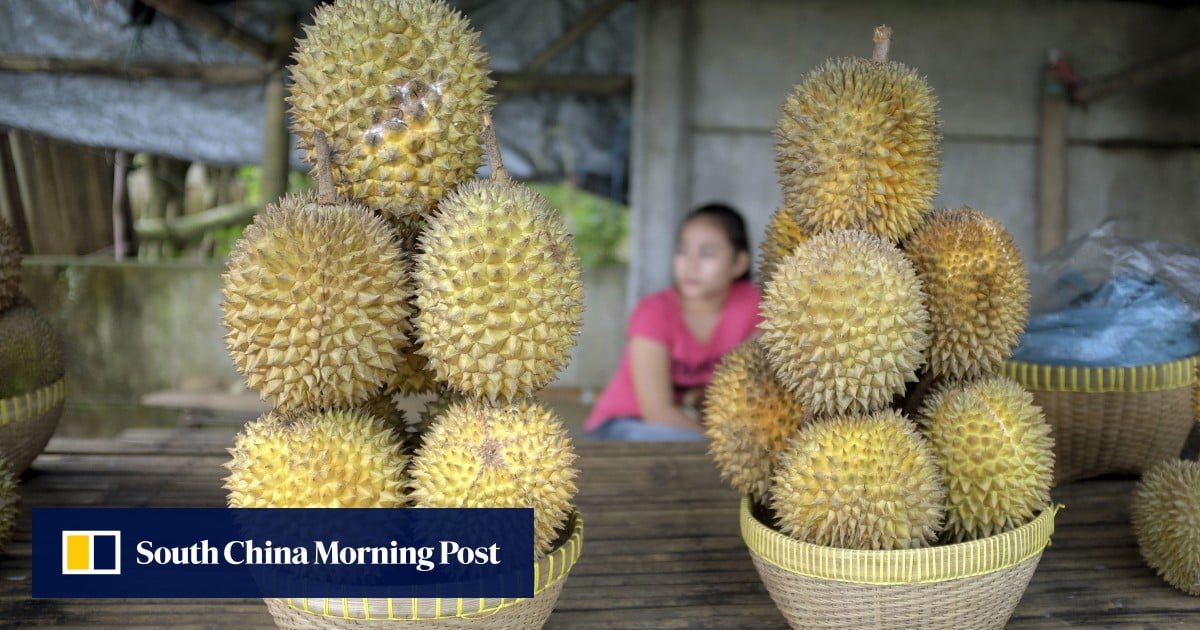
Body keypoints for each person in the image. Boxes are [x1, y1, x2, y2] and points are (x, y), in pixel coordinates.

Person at [585, 203, 761, 441]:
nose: (690, 264)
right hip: (621, 426)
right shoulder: (654, 313)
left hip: (695, 432)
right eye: (683, 250)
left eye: (707, 253)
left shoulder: (754, 305)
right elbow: (657, 412)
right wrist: (724, 446)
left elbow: (760, 387)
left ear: (738, 263)